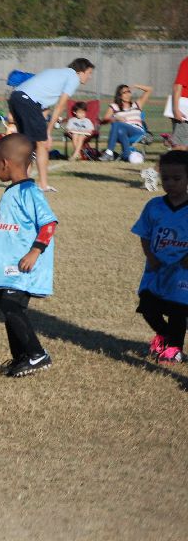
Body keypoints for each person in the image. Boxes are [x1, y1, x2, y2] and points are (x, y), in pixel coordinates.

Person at [0, 134, 59, 377]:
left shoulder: (29, 192)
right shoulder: (13, 191)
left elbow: (49, 223)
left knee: (11, 306)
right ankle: (21, 357)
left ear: (5, 163)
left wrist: (35, 252)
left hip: (21, 266)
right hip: (7, 267)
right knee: (7, 307)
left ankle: (37, 354)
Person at [131, 150, 188, 364]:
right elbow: (144, 233)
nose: (170, 183)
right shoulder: (154, 206)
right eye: (165, 178)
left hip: (182, 273)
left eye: (177, 178)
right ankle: (164, 335)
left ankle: (174, 349)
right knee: (147, 307)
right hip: (156, 269)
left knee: (177, 311)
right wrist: (150, 256)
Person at [8, 58, 95, 191]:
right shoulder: (73, 77)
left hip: (16, 98)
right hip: (26, 101)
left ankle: (22, 182)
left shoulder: (57, 73)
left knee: (28, 144)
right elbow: (60, 106)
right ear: (80, 71)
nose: (90, 77)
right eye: (89, 73)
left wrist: (43, 130)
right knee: (41, 144)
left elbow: (43, 108)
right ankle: (43, 185)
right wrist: (47, 132)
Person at [101, 83, 152, 161]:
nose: (128, 94)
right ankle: (126, 155)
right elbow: (104, 120)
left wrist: (136, 86)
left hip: (137, 132)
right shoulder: (114, 106)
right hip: (120, 133)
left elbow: (149, 90)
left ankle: (109, 152)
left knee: (117, 124)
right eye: (125, 92)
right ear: (119, 96)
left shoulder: (137, 104)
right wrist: (116, 118)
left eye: (129, 92)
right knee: (119, 129)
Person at [171, 55, 188, 150]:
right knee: (181, 145)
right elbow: (177, 86)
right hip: (184, 110)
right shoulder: (186, 62)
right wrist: (176, 109)